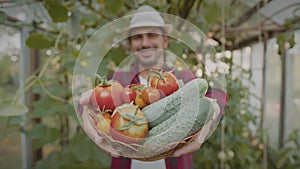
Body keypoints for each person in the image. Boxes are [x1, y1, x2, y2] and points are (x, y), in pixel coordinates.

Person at [79, 5, 227, 169]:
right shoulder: (118, 81)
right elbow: (94, 103)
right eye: (137, 37)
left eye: (151, 35)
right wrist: (86, 107)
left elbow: (216, 95)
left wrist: (212, 110)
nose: (145, 42)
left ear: (165, 40)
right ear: (131, 44)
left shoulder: (181, 79)